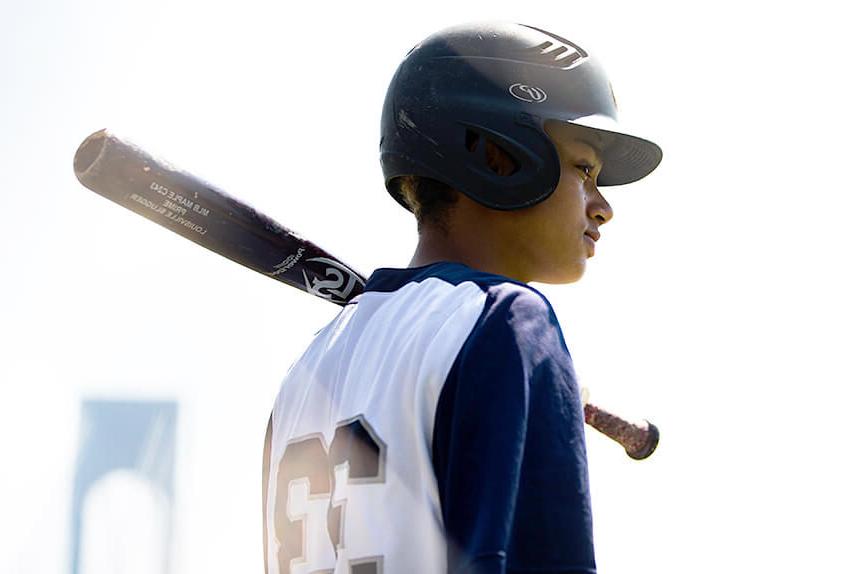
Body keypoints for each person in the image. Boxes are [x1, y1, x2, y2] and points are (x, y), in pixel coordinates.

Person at [262, 22, 662, 574]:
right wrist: (530, 368)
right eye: (585, 169)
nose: (601, 206)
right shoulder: (508, 322)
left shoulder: (303, 373)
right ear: (496, 154)